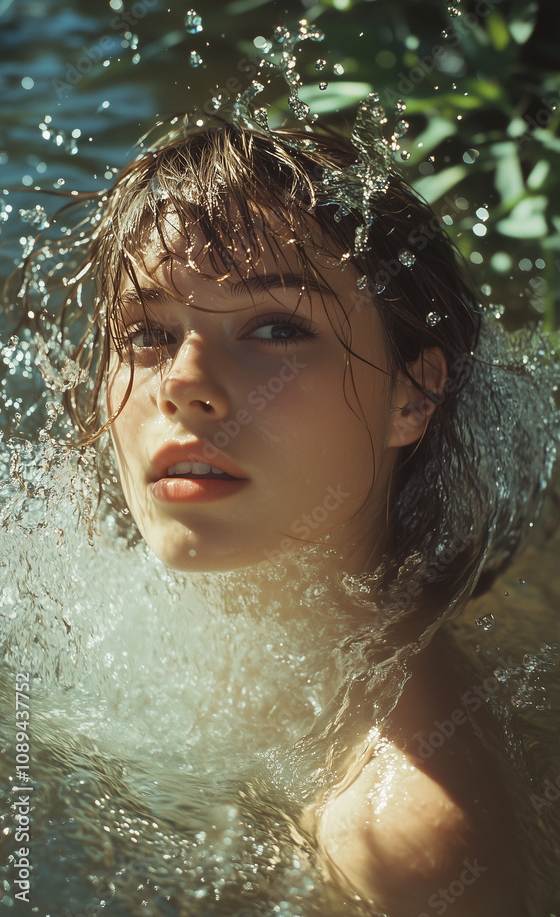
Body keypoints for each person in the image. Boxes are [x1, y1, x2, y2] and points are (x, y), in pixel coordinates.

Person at [16, 114, 528, 915]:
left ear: (415, 394)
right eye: (148, 333)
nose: (183, 383)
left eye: (276, 328)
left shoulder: (402, 838)